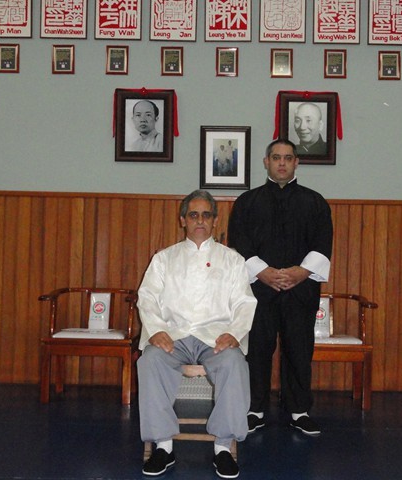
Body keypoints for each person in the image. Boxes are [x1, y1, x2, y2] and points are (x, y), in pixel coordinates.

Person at [137, 190, 257, 478]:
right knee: (150, 360)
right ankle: (163, 446)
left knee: (234, 363)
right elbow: (147, 297)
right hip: (173, 336)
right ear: (183, 220)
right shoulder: (164, 259)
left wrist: (234, 333)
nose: (200, 220)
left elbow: (245, 302)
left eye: (206, 215)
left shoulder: (232, 260)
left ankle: (223, 447)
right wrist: (156, 330)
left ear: (215, 220)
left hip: (215, 338)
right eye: (193, 215)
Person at [228, 139, 333, 437]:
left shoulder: (315, 202)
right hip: (258, 289)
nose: (282, 163)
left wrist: (301, 272)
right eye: (276, 157)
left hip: (301, 289)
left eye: (288, 158)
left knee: (299, 349)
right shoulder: (247, 202)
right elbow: (239, 244)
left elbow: (322, 244)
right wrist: (264, 273)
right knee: (257, 349)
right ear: (266, 162)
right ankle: (254, 409)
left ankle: (299, 411)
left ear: (297, 162)